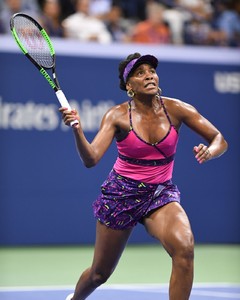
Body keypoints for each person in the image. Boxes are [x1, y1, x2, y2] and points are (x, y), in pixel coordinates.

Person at [60, 53, 228, 300]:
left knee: (185, 249)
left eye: (151, 70)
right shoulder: (116, 115)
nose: (149, 75)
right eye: (140, 73)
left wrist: (211, 151)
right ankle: (75, 298)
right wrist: (77, 130)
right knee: (99, 274)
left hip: (160, 193)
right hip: (121, 195)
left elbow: (219, 139)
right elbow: (91, 159)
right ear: (129, 85)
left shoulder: (177, 109)